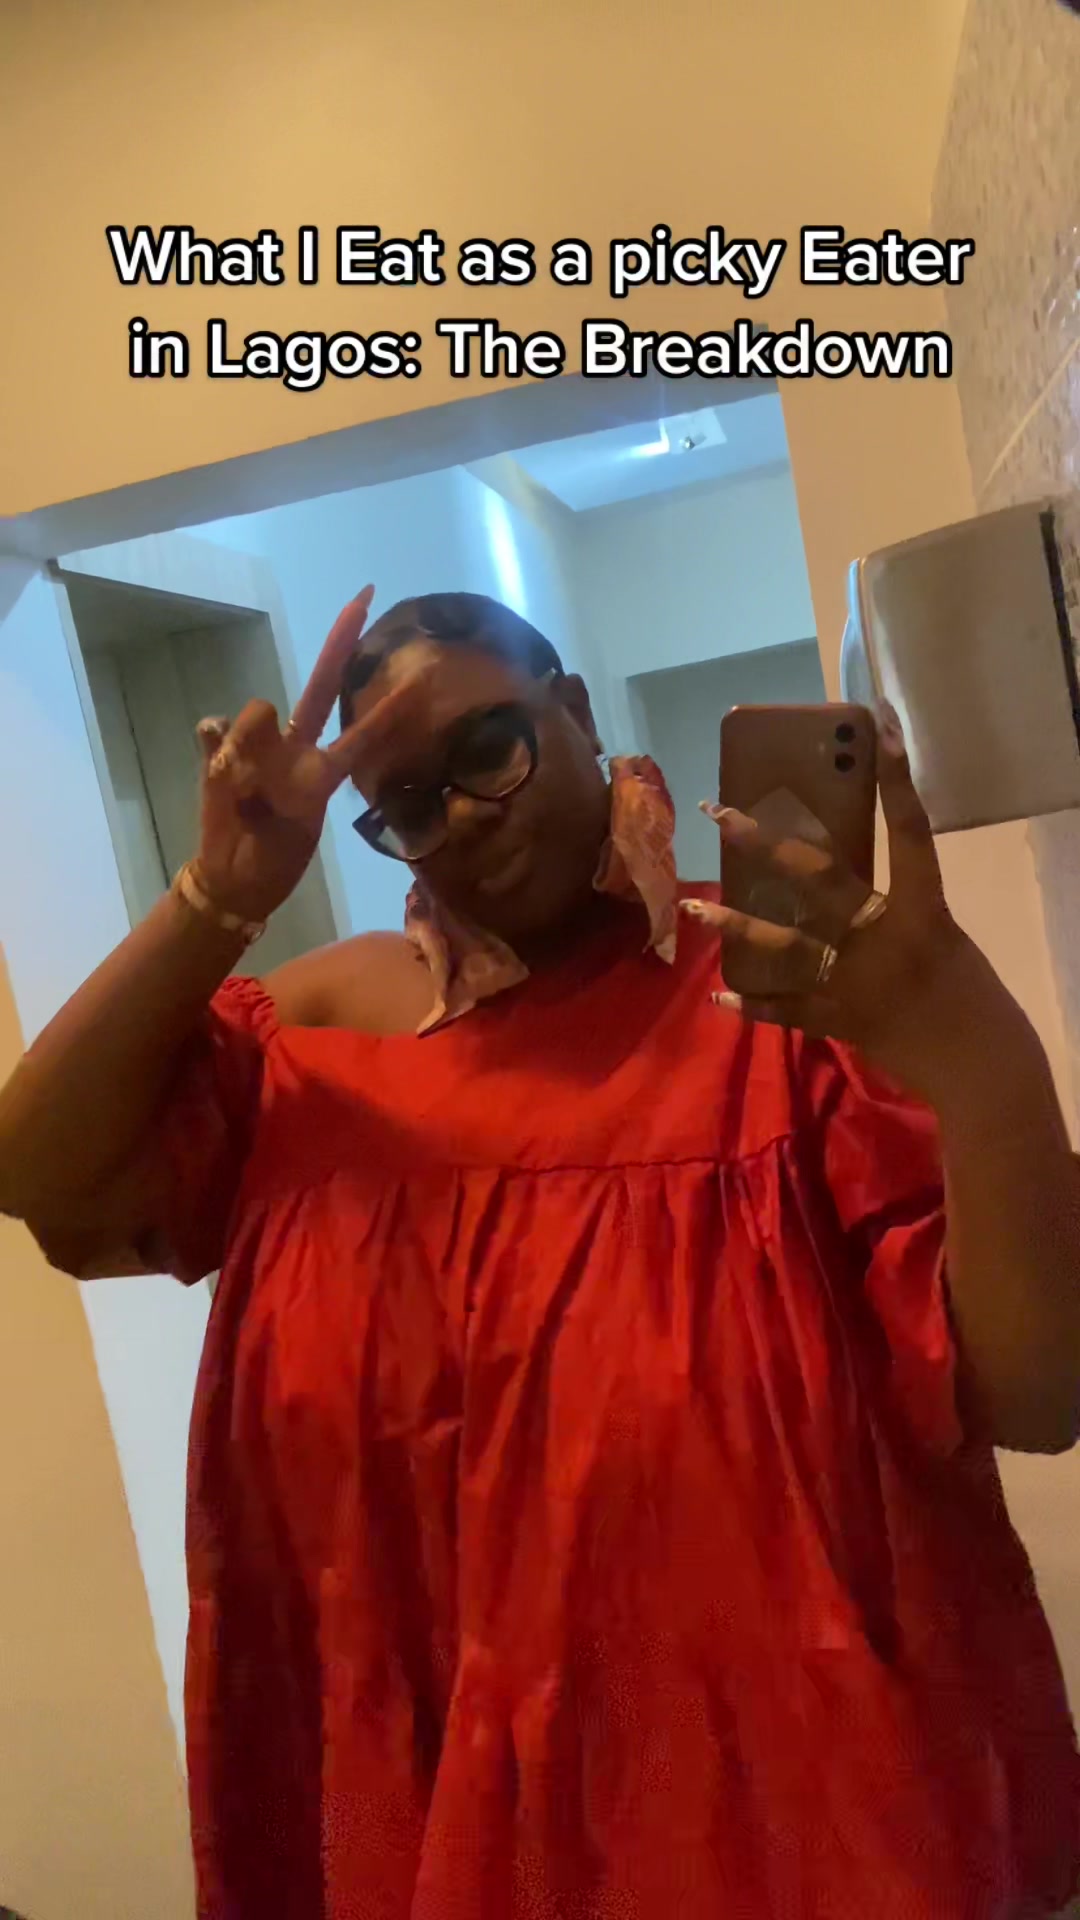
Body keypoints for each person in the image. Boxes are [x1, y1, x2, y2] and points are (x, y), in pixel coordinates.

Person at [2, 586, 1079, 1920]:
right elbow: (36, 1175)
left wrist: (977, 1051)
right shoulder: (313, 1042)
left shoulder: (791, 996)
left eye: (487, 747)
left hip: (777, 1801)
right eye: (405, 803)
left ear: (571, 708)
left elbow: (1039, 1393)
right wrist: (213, 897)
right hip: (428, 1804)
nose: (459, 814)